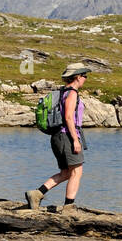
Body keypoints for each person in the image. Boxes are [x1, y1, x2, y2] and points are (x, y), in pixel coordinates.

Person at [25, 63, 91, 211]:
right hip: (66, 136)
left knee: (66, 173)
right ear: (78, 77)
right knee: (76, 172)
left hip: (58, 137)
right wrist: (75, 139)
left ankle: (36, 194)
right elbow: (68, 118)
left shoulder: (63, 92)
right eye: (85, 75)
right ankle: (68, 208)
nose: (86, 78)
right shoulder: (72, 93)